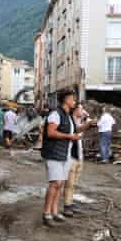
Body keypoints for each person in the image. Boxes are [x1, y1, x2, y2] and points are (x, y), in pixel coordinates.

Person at [41, 90, 81, 227]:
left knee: (60, 184)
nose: (75, 102)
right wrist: (69, 137)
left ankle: (55, 211)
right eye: (73, 99)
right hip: (54, 153)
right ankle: (46, 213)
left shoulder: (68, 116)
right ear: (66, 99)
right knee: (55, 183)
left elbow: (73, 131)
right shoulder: (56, 114)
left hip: (66, 154)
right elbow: (50, 132)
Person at [63, 104, 96, 216]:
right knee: (69, 183)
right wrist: (87, 122)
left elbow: (90, 122)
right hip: (70, 156)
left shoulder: (81, 121)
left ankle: (70, 202)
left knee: (74, 183)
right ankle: (67, 205)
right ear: (75, 110)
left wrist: (86, 117)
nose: (83, 111)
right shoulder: (70, 122)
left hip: (79, 155)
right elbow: (77, 130)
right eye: (81, 109)